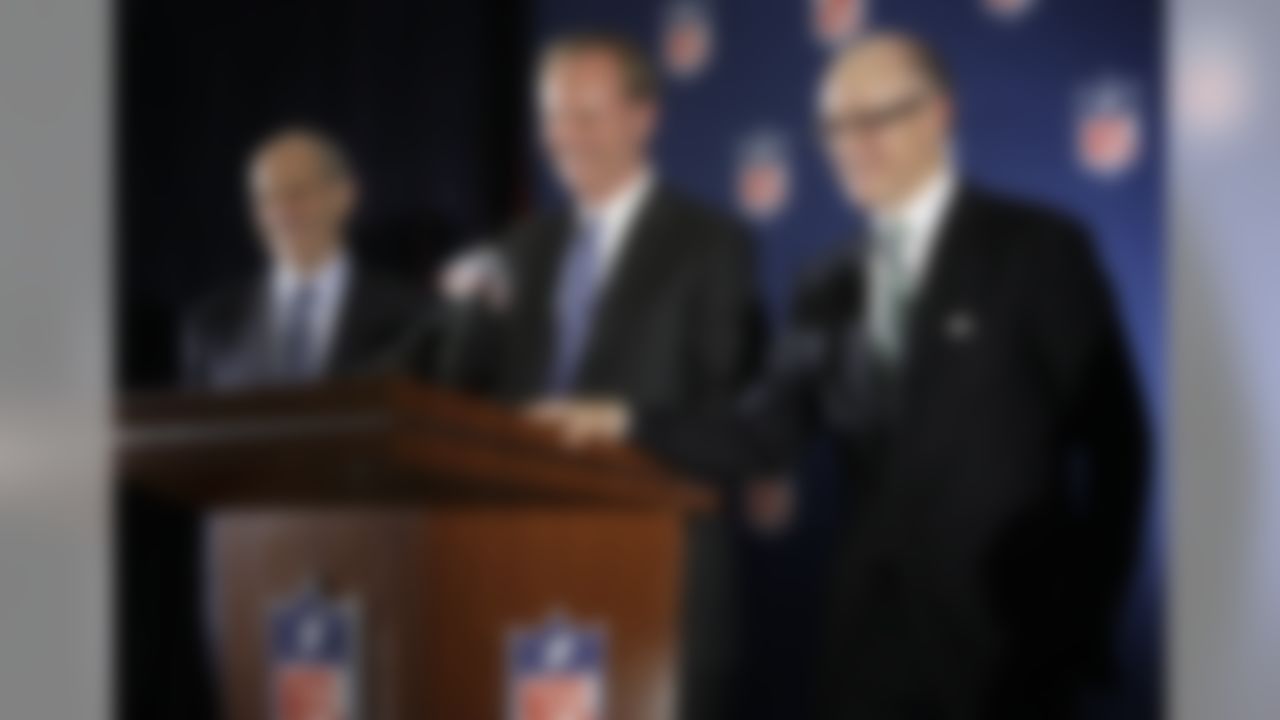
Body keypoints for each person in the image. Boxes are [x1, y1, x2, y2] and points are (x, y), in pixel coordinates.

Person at [532, 32, 1149, 719]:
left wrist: (1081, 617)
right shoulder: (825, 281)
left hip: (1009, 645)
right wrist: (626, 420)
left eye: (874, 118)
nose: (851, 144)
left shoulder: (1036, 249)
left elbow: (1117, 448)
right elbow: (761, 433)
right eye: (833, 127)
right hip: (870, 656)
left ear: (938, 113)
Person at [435, 32, 763, 720]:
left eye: (587, 115)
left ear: (645, 118)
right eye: (553, 116)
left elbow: (732, 425)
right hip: (516, 573)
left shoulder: (711, 244)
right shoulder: (519, 249)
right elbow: (454, 390)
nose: (565, 137)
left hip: (656, 582)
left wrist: (620, 421)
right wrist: (458, 317)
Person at [183, 126, 421, 391]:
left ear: (345, 194)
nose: (283, 211)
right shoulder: (212, 323)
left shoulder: (411, 317)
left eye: (298, 193)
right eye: (268, 198)